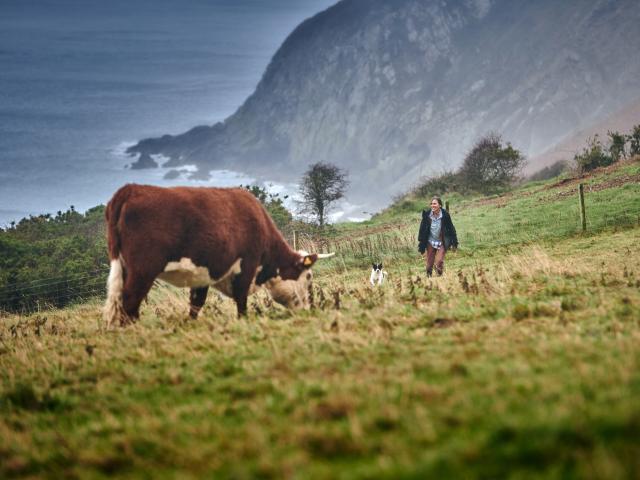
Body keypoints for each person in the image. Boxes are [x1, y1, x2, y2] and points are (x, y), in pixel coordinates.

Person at [418, 196, 458, 277]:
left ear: (440, 205)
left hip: (442, 242)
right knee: (429, 265)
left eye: (435, 204)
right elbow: (422, 230)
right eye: (432, 204)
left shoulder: (445, 215)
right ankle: (429, 278)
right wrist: (421, 243)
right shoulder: (427, 216)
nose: (433, 205)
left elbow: (451, 228)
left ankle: (440, 276)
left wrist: (454, 242)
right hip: (430, 241)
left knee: (439, 262)